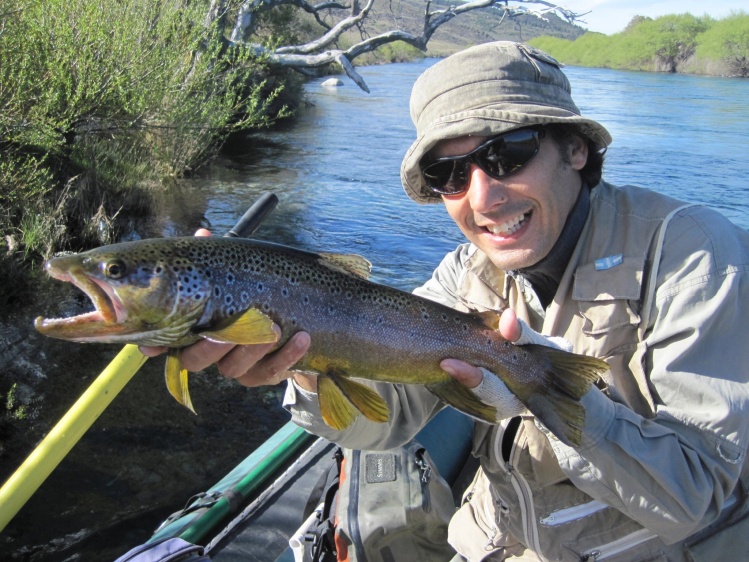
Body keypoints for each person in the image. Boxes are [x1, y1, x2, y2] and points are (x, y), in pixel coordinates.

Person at [142, 42, 749, 561]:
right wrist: (304, 365)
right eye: (449, 174)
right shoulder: (466, 273)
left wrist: (554, 398)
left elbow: (694, 497)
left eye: (507, 153)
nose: (481, 198)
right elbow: (384, 422)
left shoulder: (695, 254)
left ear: (575, 149)